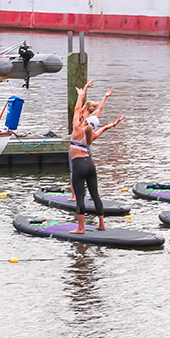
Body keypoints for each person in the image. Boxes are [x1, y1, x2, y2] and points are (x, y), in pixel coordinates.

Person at [68, 80, 123, 234]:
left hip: (78, 165)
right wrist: (115, 123)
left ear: (85, 120)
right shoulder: (92, 134)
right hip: (90, 164)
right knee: (95, 195)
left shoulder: (77, 129)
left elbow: (77, 107)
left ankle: (80, 228)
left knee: (80, 197)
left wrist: (81, 94)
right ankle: (101, 224)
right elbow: (104, 128)